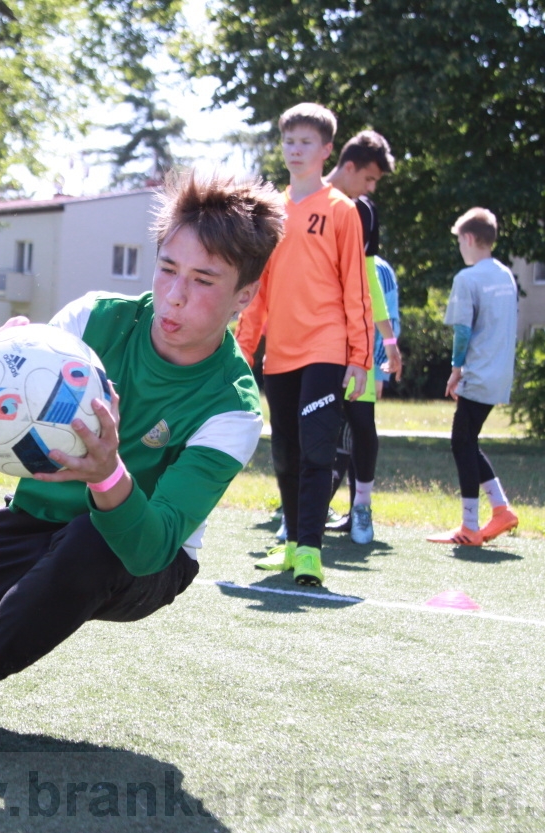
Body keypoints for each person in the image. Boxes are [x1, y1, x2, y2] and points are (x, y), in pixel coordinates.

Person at [0, 169, 286, 758]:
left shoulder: (233, 406)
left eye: (203, 280)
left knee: (95, 539)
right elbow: (21, 379)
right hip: (39, 517)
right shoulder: (94, 320)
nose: (174, 295)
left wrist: (108, 475)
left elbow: (152, 547)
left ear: (244, 295)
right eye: (167, 268)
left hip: (140, 559)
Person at [236, 103, 375, 587]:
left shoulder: (342, 210)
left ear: (326, 150)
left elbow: (356, 286)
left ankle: (312, 551)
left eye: (306, 142)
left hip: (326, 347)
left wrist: (360, 357)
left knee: (317, 449)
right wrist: (244, 348)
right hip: (280, 353)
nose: (295, 150)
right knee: (286, 454)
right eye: (289, 141)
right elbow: (258, 290)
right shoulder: (271, 212)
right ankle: (293, 544)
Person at [321, 130, 402, 544]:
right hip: (315, 340)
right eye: (369, 179)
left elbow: (369, 279)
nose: (371, 189)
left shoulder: (364, 212)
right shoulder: (308, 202)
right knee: (314, 427)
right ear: (350, 167)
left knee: (361, 423)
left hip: (358, 343)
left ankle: (362, 509)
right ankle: (302, 513)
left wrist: (389, 341)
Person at [426, 208, 520, 546]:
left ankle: (469, 527)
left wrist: (456, 370)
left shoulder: (467, 278)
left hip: (478, 373)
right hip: (500, 374)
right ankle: (501, 510)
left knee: (461, 442)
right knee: (467, 440)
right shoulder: (506, 275)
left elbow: (463, 331)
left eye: (459, 242)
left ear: (468, 238)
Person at [329, 255, 401, 524]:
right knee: (336, 432)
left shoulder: (378, 267)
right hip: (330, 356)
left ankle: (358, 510)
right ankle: (317, 506)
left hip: (364, 364)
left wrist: (382, 367)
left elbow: (387, 314)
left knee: (356, 431)